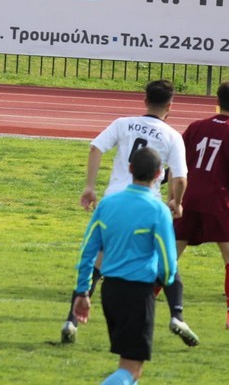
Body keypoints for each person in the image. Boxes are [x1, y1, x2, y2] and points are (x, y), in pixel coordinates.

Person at [63, 80, 196, 348]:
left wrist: (90, 186)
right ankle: (177, 315)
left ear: (144, 100)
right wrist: (176, 202)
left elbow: (95, 148)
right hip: (148, 204)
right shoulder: (172, 136)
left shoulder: (123, 123)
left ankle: (72, 320)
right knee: (165, 258)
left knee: (97, 259)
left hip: (114, 202)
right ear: (171, 106)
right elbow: (180, 177)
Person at [62, 147, 176, 385]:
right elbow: (168, 263)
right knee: (133, 368)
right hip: (138, 293)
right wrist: (166, 282)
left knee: (128, 362)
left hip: (110, 290)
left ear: (129, 168)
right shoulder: (158, 210)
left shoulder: (108, 204)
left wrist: (82, 292)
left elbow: (87, 251)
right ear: (158, 175)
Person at [175, 81, 229, 330]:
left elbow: (178, 164)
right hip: (221, 201)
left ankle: (145, 298)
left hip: (189, 198)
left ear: (217, 101)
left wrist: (175, 197)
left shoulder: (196, 127)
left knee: (171, 256)